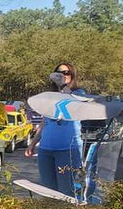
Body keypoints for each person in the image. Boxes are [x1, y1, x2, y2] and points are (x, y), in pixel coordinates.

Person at [25, 63, 84, 196]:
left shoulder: (79, 93)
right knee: (49, 192)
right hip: (46, 150)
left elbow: (74, 103)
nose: (63, 75)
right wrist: (33, 143)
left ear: (72, 75)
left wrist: (63, 85)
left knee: (66, 192)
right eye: (59, 73)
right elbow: (44, 122)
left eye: (66, 73)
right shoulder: (51, 96)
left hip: (67, 150)